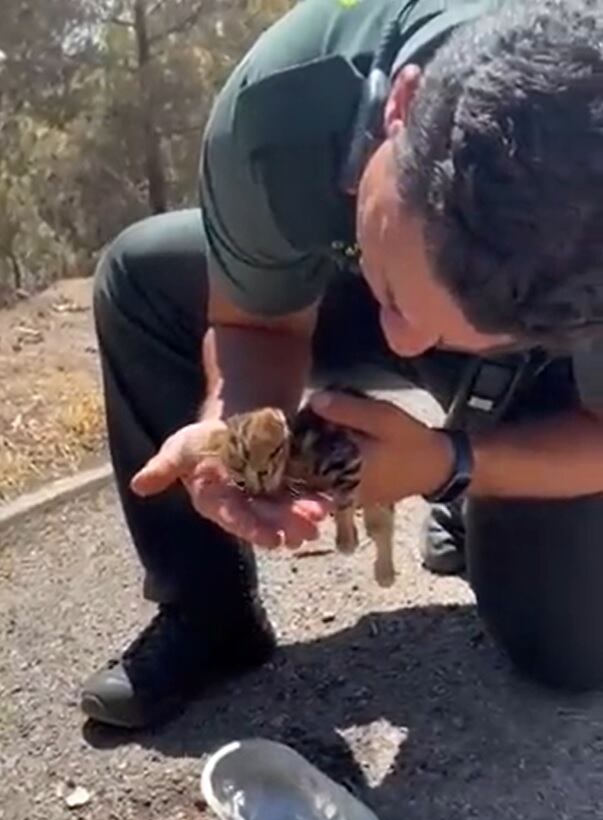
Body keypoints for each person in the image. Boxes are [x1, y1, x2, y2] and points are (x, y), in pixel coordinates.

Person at [82, 0, 603, 729]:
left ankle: (476, 490)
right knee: (140, 272)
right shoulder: (285, 103)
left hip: (545, 360)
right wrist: (237, 431)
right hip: (336, 277)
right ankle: (207, 613)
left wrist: (448, 460)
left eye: (444, 330)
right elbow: (251, 322)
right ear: (401, 102)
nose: (406, 345)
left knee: (573, 654)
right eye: (396, 291)